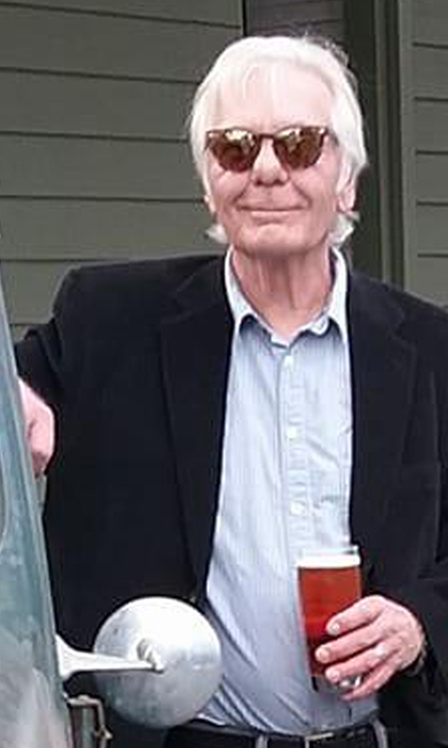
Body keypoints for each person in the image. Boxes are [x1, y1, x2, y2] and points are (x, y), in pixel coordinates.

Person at [16, 34, 448, 748]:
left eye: (301, 145)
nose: (267, 170)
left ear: (347, 180)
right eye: (236, 147)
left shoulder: (430, 348)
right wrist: (18, 411)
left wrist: (418, 621)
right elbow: (19, 401)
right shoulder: (108, 321)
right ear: (208, 181)